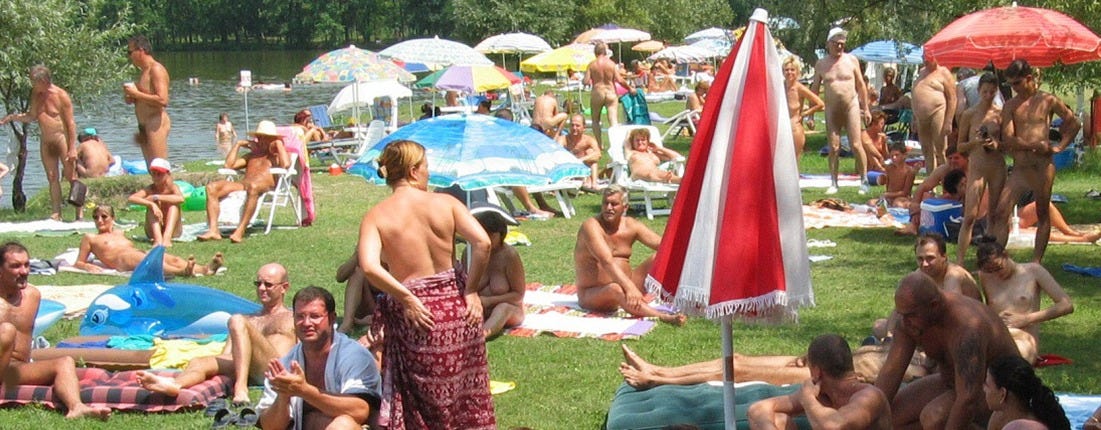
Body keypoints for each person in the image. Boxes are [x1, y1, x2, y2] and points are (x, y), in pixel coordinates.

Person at [356, 140, 496, 428]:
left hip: (417, 314)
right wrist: (471, 291)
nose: (429, 173)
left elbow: (369, 266)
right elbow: (482, 242)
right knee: (466, 390)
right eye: (427, 167)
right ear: (413, 170)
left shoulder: (377, 215)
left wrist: (406, 298)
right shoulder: (446, 203)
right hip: (458, 307)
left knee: (422, 398)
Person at [874, 271, 1020, 430]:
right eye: (900, 314)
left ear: (934, 305)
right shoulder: (909, 323)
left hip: (1000, 393)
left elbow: (967, 399)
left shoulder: (967, 328)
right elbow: (891, 372)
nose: (904, 322)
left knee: (934, 417)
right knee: (888, 418)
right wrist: (866, 416)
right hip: (952, 384)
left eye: (910, 315)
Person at [137, 263, 295, 405]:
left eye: (268, 284)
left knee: (236, 319)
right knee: (200, 361)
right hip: (247, 368)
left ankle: (240, 388)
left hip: (274, 369)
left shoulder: (292, 318)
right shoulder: (249, 319)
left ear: (284, 287)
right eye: (258, 283)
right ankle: (174, 385)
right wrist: (209, 363)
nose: (261, 288)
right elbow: (227, 354)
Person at [0, 242, 112, 420]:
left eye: (27, 265)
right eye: (15, 266)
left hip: (17, 370)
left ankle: (77, 407)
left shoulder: (32, 296)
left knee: (65, 362)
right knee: (6, 331)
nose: (24, 271)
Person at [991, 60, 1080, 263]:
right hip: (1021, 168)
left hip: (1042, 166)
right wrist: (1033, 146)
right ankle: (995, 259)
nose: (1014, 88)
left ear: (1029, 79)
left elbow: (1073, 121)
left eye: (1017, 83)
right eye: (1011, 84)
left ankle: (1036, 262)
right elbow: (1008, 138)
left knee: (1042, 212)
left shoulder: (1047, 100)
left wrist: (1060, 146)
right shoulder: (1011, 106)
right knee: (1000, 211)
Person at [256, 286, 380, 430]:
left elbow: (360, 411)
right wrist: (284, 395)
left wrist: (305, 391)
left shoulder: (354, 356)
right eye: (300, 316)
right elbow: (269, 427)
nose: (307, 323)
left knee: (342, 425)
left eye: (315, 316)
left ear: (332, 318)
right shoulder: (286, 364)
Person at [574, 185, 685, 325]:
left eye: (614, 204)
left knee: (658, 258)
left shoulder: (631, 226)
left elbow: (664, 247)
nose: (608, 208)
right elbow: (606, 261)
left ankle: (684, 298)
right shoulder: (591, 226)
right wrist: (630, 288)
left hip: (628, 283)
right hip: (593, 294)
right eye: (605, 203)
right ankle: (662, 316)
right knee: (615, 288)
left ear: (625, 207)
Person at [747, 334, 892, 430]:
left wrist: (807, 399)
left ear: (816, 372)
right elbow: (758, 409)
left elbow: (834, 426)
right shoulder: (822, 394)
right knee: (778, 420)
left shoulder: (869, 397)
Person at [0, 65, 80, 221]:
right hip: (46, 139)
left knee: (71, 176)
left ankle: (79, 212)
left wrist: (72, 148)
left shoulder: (61, 95)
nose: (32, 85)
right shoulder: (37, 94)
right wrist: (12, 117)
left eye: (34, 81)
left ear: (43, 80)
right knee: (52, 176)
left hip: (61, 137)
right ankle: (56, 213)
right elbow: (32, 116)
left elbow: (71, 123)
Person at [975, 238, 1073, 364]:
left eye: (999, 268)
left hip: (1023, 337)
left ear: (1006, 255)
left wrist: (1026, 319)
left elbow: (1066, 305)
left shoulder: (1033, 271)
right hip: (997, 335)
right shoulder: (985, 276)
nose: (997, 274)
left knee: (1010, 360)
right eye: (990, 271)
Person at [873, 233, 982, 342]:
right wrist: (889, 335)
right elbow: (900, 308)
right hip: (937, 326)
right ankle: (891, 343)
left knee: (910, 330)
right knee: (879, 326)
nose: (924, 264)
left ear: (944, 256)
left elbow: (951, 316)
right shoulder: (921, 274)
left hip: (965, 330)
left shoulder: (953, 276)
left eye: (930, 258)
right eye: (920, 259)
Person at [198, 120, 289, 244]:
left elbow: (286, 165)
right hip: (243, 185)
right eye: (259, 138)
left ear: (272, 139)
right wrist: (238, 144)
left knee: (253, 187)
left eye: (266, 138)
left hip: (263, 187)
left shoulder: (276, 155)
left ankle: (240, 231)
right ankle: (213, 230)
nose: (261, 141)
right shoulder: (251, 155)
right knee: (212, 187)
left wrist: (279, 144)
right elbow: (228, 165)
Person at [75, 205, 223, 276]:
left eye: (104, 216)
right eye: (96, 217)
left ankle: (204, 269)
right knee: (151, 261)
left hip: (136, 253)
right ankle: (182, 272)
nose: (99, 220)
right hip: (122, 260)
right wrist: (87, 267)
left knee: (172, 258)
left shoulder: (119, 233)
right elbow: (79, 262)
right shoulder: (90, 238)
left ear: (112, 218)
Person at [812, 28, 871, 195]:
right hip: (832, 109)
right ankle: (833, 181)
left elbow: (861, 85)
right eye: (836, 44)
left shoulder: (851, 60)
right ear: (828, 44)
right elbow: (815, 88)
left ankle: (864, 179)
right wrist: (810, 113)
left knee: (856, 144)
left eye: (842, 44)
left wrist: (865, 108)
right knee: (834, 146)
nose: (839, 47)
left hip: (850, 105)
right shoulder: (821, 64)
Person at [956, 73, 1007, 264]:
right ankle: (960, 262)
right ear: (978, 91)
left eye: (991, 92)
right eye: (984, 91)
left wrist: (996, 143)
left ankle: (992, 260)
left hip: (996, 167)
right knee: (970, 216)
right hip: (977, 167)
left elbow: (1007, 143)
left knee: (994, 215)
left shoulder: (999, 115)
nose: (987, 95)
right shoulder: (969, 114)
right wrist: (974, 142)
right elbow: (960, 146)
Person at [470, 209, 525, 339]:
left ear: (501, 234)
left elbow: (518, 295)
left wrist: (489, 301)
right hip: (478, 308)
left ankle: (482, 336)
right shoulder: (470, 253)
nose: (487, 239)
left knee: (503, 308)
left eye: (491, 235)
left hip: (510, 309)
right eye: (484, 234)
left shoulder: (509, 256)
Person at [984, 355, 1070, 430]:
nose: (983, 389)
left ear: (1003, 394)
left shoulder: (1029, 426)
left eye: (987, 385)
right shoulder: (998, 417)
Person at [898, 146, 969, 235]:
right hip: (948, 204)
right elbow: (922, 187)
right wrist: (915, 208)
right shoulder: (943, 170)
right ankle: (913, 225)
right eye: (950, 158)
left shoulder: (972, 172)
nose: (953, 161)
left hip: (968, 204)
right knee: (925, 196)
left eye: (956, 158)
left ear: (966, 159)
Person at [123, 35, 171, 165]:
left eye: (130, 52)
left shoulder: (156, 69)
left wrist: (136, 94)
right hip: (143, 124)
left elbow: (163, 100)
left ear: (141, 50)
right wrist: (132, 97)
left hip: (155, 122)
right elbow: (145, 97)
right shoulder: (144, 71)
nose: (129, 56)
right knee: (152, 170)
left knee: (159, 167)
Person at [911, 54, 958, 172]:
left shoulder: (944, 72)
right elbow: (915, 95)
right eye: (924, 58)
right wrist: (914, 117)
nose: (925, 61)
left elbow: (952, 98)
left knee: (941, 149)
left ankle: (947, 179)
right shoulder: (921, 72)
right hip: (920, 116)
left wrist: (948, 121)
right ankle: (931, 179)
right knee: (926, 150)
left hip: (937, 111)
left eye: (928, 58)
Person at [585, 42, 635, 151]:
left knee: (595, 120)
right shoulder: (611, 64)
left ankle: (599, 145)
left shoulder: (591, 64)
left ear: (595, 52)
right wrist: (630, 88)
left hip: (597, 92)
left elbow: (585, 81)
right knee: (613, 120)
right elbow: (620, 80)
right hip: (610, 92)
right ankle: (615, 144)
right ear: (605, 52)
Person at [127, 158, 183, 247]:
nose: (156, 178)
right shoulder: (151, 188)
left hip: (174, 230)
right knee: (153, 205)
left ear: (168, 174)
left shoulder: (173, 187)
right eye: (153, 174)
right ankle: (158, 239)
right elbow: (132, 198)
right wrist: (151, 204)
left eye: (159, 174)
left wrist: (156, 197)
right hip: (153, 230)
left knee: (173, 205)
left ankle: (167, 238)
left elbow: (180, 199)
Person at [784, 55, 824, 162]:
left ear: (797, 72)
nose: (789, 72)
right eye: (786, 70)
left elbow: (820, 103)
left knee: (794, 161)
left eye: (792, 70)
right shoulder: (780, 87)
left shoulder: (799, 88)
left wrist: (805, 114)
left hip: (795, 128)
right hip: (781, 129)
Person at [558, 113, 603, 190]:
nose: (574, 128)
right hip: (567, 169)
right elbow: (556, 154)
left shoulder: (588, 140)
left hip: (583, 169)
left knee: (590, 152)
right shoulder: (563, 139)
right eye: (572, 125)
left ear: (584, 127)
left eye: (577, 126)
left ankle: (594, 184)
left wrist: (581, 160)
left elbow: (598, 154)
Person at [872, 143, 915, 208]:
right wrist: (882, 179)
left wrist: (888, 194)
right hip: (889, 198)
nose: (894, 158)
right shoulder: (889, 168)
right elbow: (887, 184)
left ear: (904, 155)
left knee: (897, 204)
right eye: (892, 156)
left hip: (902, 198)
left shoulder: (909, 171)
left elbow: (905, 192)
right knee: (871, 203)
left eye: (897, 155)